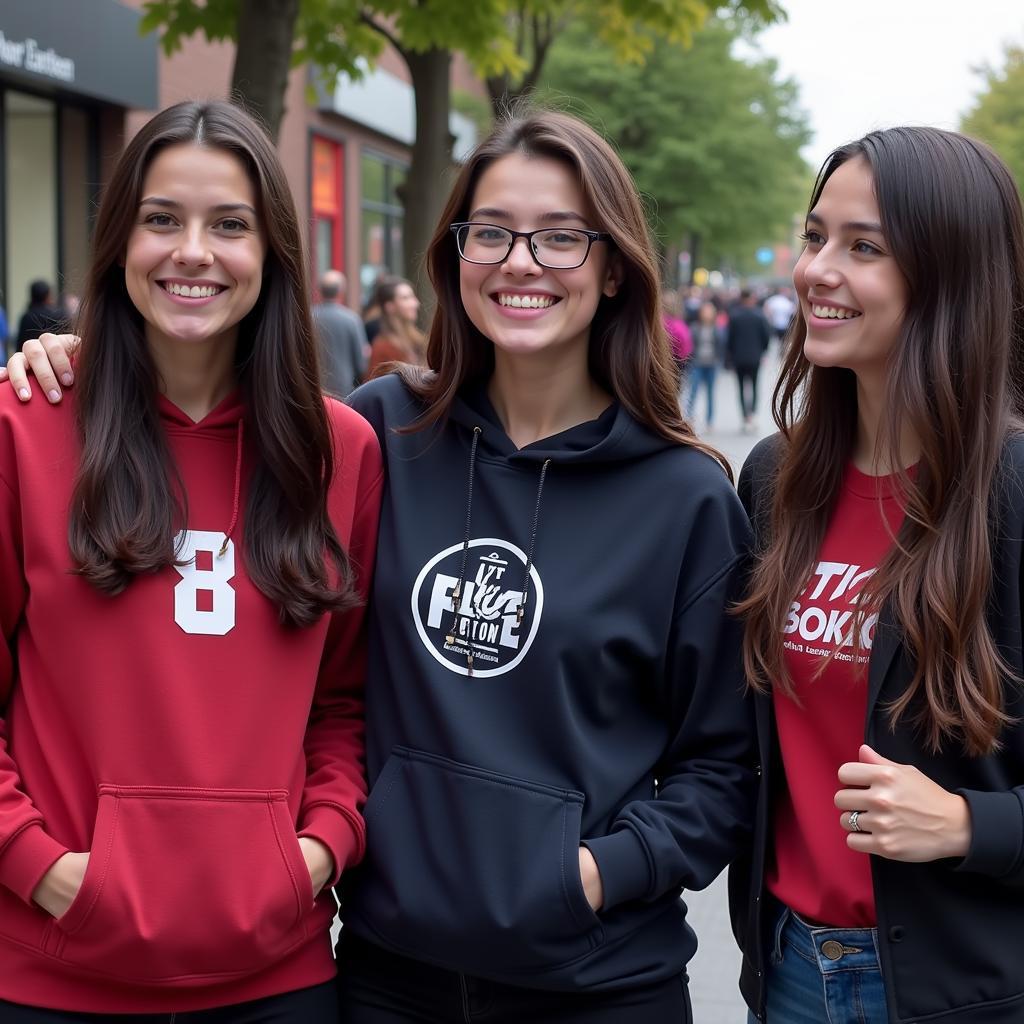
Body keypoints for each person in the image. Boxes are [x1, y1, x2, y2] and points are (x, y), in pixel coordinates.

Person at [6, 108, 758, 1024]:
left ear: (613, 270)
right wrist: (78, 359)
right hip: (388, 975)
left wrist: (591, 875)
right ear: (454, 256)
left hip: (594, 981)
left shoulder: (683, 496)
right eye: (492, 232)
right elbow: (345, 686)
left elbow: (723, 767)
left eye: (562, 238)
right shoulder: (380, 437)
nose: (521, 261)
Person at [0, 100, 382, 1021]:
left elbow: (347, 700)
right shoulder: (23, 427)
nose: (193, 252)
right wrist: (39, 866)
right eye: (162, 218)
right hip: (53, 975)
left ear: (273, 253)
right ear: (119, 240)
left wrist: (318, 849)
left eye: (230, 225)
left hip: (276, 978)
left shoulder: (341, 453)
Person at [731, 127, 1024, 1024]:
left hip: (956, 987)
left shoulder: (1011, 491)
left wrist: (975, 826)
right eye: (816, 236)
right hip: (785, 967)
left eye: (865, 248)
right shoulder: (777, 479)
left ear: (948, 276)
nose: (818, 268)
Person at [313, 268, 369, 397]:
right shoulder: (351, 319)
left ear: (320, 291)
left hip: (313, 388)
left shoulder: (307, 317)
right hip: (343, 390)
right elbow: (361, 363)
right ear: (341, 292)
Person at [725, 289, 770, 433]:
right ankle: (753, 414)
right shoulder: (759, 316)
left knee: (740, 387)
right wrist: (763, 351)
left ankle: (745, 416)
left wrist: (730, 355)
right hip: (755, 357)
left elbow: (729, 339)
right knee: (755, 385)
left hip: (738, 358)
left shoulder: (734, 316)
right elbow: (766, 336)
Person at [364, 274, 425, 375]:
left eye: (413, 297)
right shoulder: (383, 347)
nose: (415, 303)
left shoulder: (418, 340)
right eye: (406, 298)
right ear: (390, 306)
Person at [685, 300, 725, 430]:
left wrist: (719, 360)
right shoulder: (695, 327)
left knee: (710, 393)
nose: (707, 314)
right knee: (693, 391)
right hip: (697, 363)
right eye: (705, 312)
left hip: (712, 364)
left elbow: (721, 346)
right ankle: (689, 417)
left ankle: (709, 420)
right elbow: (690, 345)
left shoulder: (717, 328)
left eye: (710, 312)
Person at [16, 280, 63, 348]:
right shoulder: (57, 315)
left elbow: (20, 343)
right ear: (47, 296)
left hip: (29, 354)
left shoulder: (26, 317)